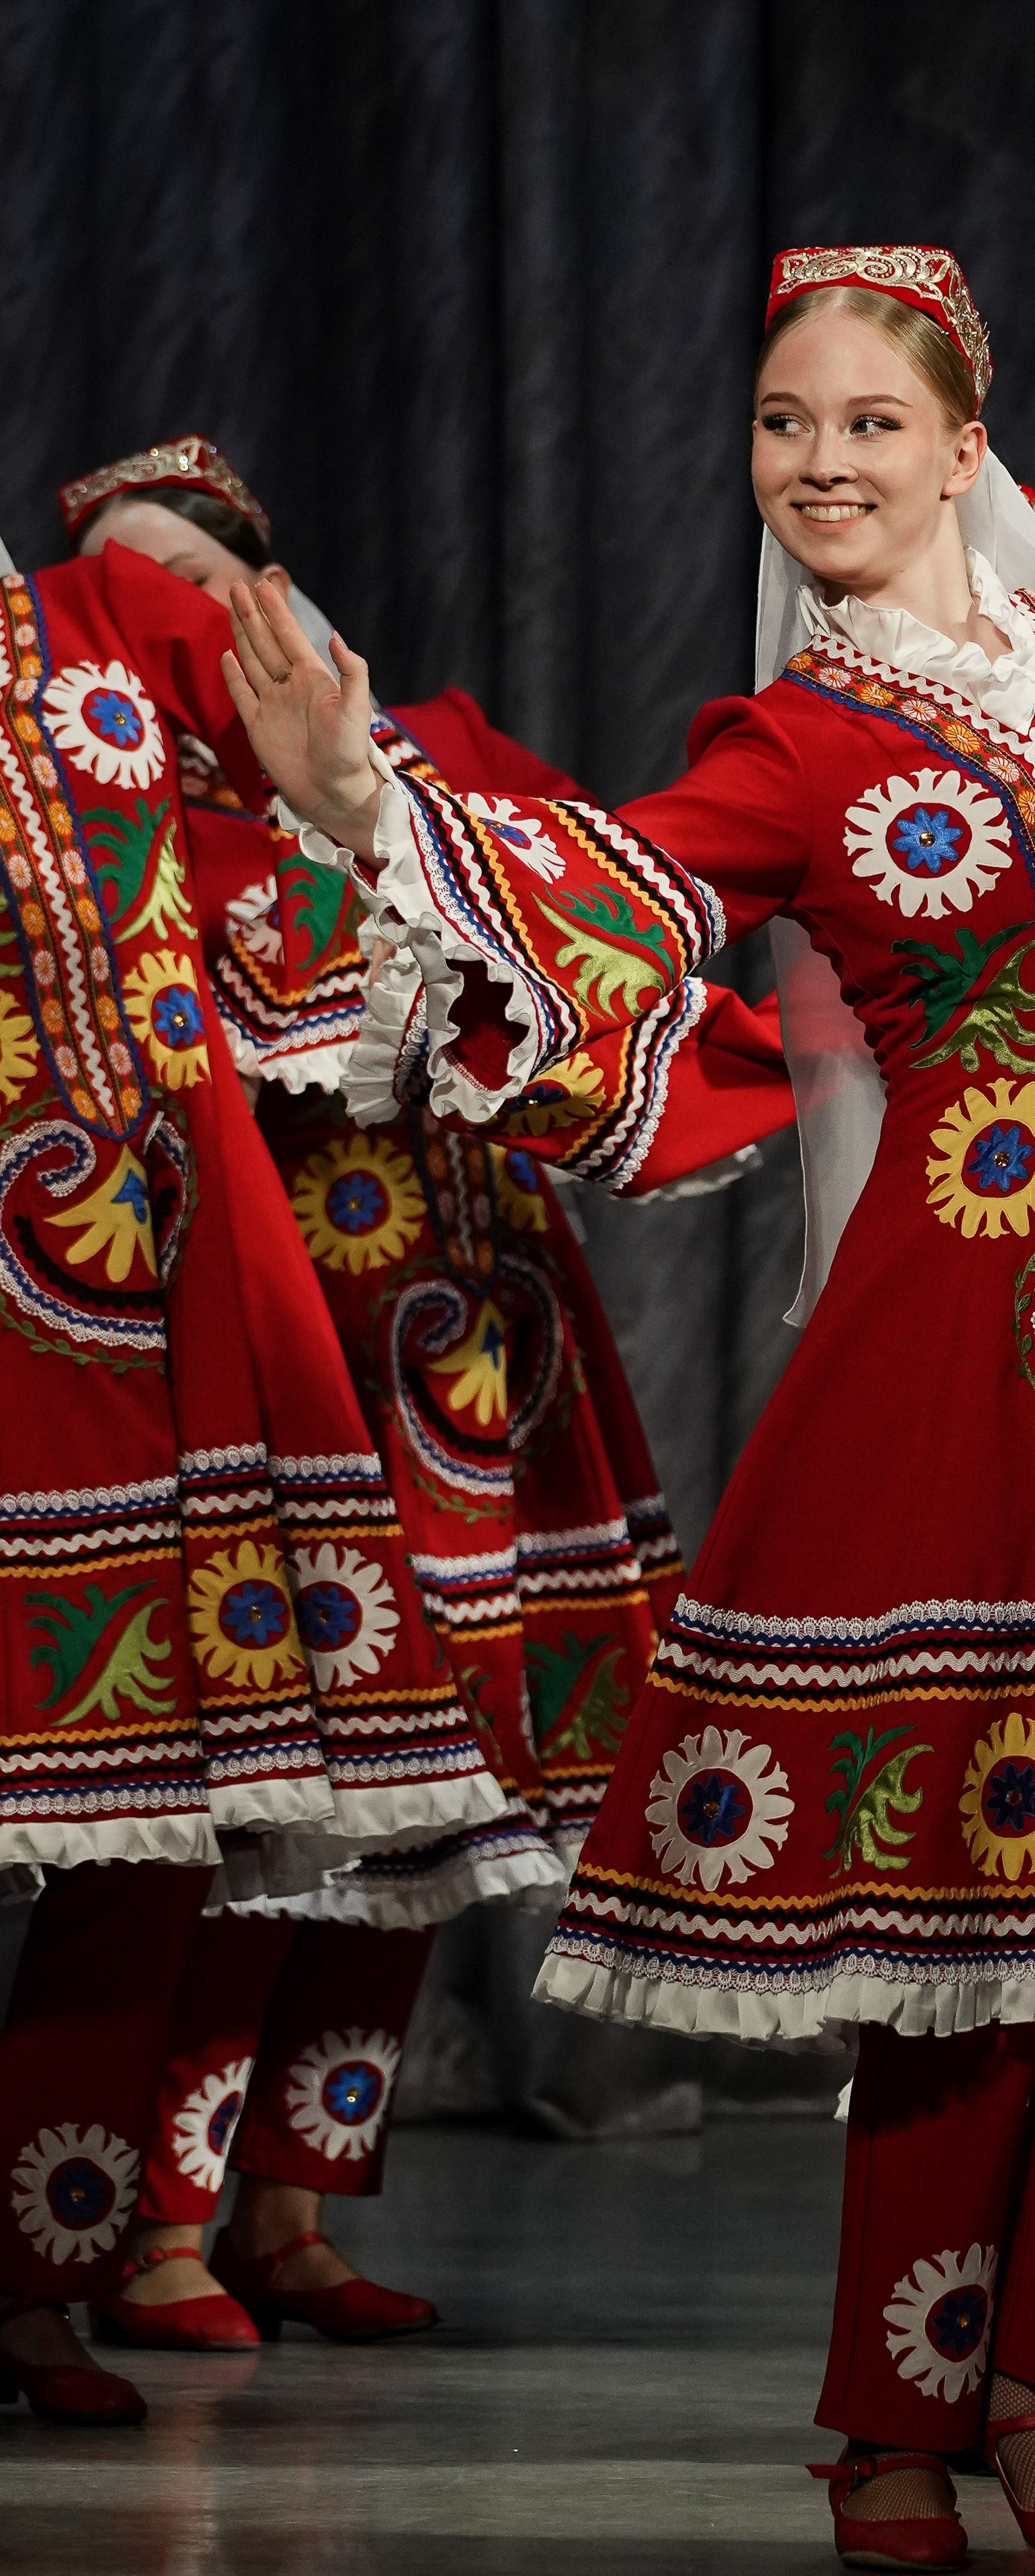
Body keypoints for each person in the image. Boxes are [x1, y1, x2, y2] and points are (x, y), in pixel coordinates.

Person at [225, 246, 1035, 2570]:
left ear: (963, 440)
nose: (819, 466)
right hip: (965, 1366)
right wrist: (370, 804)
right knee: (974, 1923)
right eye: (780, 427)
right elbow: (605, 904)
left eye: (864, 424)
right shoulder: (801, 745)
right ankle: (891, 2426)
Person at [46, 437, 795, 2357]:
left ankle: (293, 2200)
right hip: (296, 1344)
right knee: (270, 1808)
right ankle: (149, 2224)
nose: (202, 625)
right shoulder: (147, 817)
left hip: (462, 1353)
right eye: (150, 602)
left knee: (423, 1815)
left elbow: (572, 958)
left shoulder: (417, 765)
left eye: (219, 585)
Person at [0, 538, 507, 2422]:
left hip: (170, 1290)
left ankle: (52, 2260)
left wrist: (347, 797)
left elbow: (316, 844)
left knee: (158, 1816)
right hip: (52, 1288)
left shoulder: (94, 636)